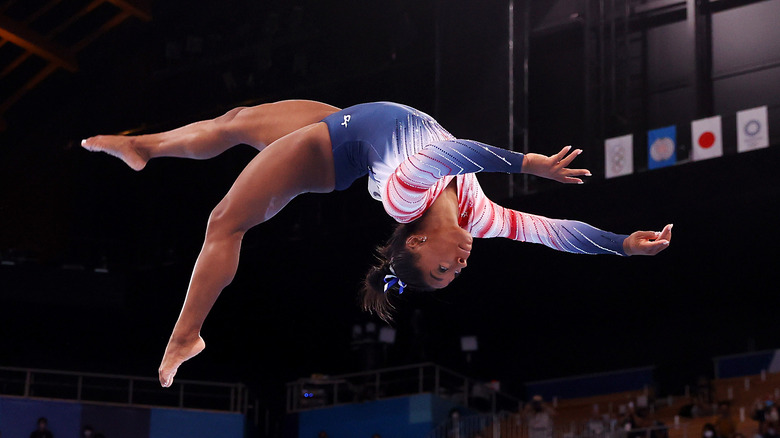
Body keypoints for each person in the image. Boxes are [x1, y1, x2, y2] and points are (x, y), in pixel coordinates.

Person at [81, 100, 673, 387]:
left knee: (223, 224)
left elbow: (448, 151)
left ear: (415, 244)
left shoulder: (404, 196)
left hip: (325, 152)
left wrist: (526, 165)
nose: (458, 266)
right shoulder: (475, 212)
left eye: (442, 272)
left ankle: (185, 335)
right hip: (352, 121)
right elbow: (556, 234)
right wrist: (622, 244)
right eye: (454, 274)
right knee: (235, 120)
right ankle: (146, 147)